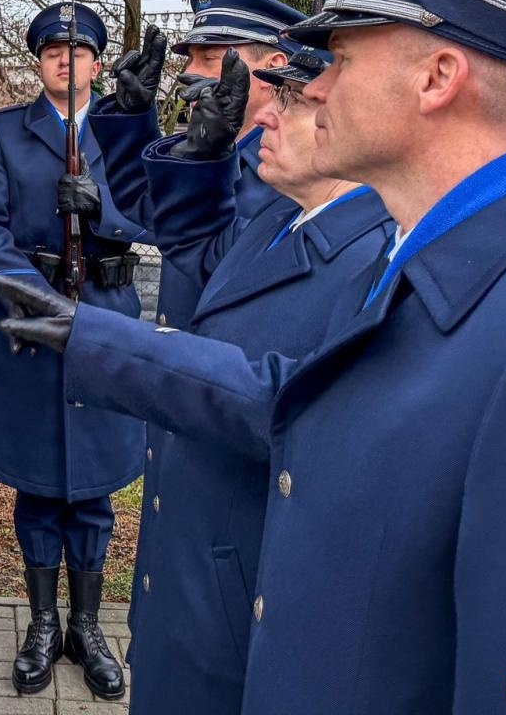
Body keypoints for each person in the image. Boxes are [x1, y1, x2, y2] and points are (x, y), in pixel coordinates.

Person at [0, 0, 506, 713]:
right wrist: (94, 337)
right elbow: (294, 402)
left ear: (438, 78)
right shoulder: (435, 262)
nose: (310, 85)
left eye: (340, 56)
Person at [124, 46, 393, 715]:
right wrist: (203, 161)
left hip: (233, 604)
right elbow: (194, 263)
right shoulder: (278, 216)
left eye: (292, 101)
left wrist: (110, 350)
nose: (265, 117)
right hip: (185, 582)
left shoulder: (371, 257)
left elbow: (285, 403)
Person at [0, 1, 157, 701]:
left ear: (97, 64)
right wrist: (45, 304)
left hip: (105, 322)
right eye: (51, 53)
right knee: (39, 487)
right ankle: (42, 625)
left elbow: (161, 217)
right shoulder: (3, 133)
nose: (64, 62)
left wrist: (102, 210)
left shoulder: (128, 135)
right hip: (32, 327)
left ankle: (87, 626)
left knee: (96, 491)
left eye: (77, 53)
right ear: (39, 62)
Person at [170, 0, 306, 224]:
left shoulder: (293, 171)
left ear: (274, 68)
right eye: (190, 59)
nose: (189, 72)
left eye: (210, 58)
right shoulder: (192, 150)